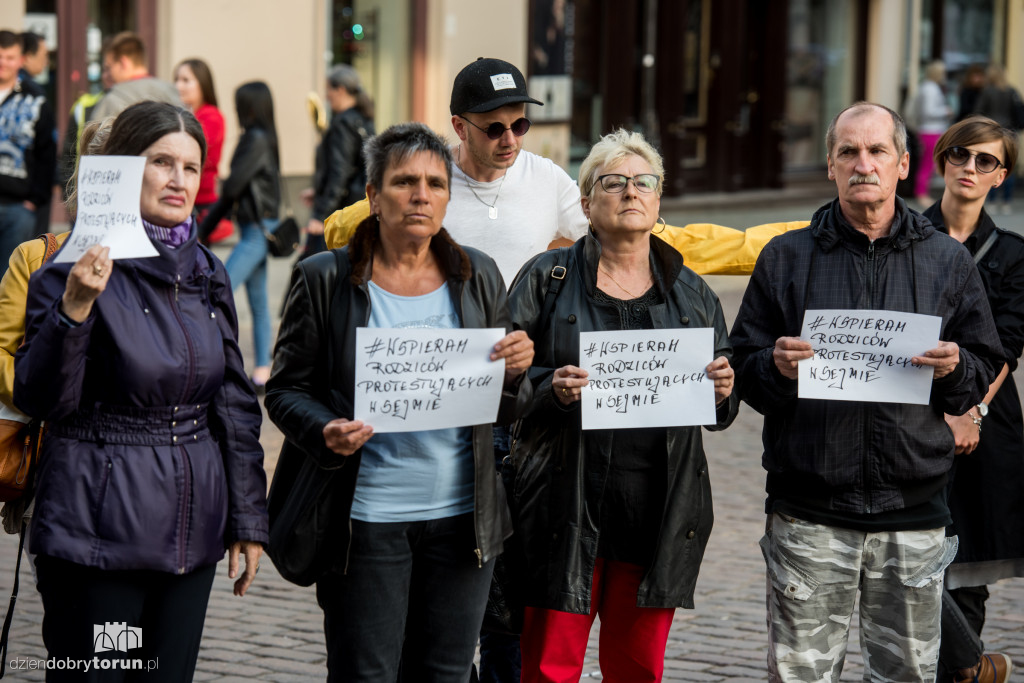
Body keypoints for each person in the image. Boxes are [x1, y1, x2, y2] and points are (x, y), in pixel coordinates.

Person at [729, 102, 1003, 682]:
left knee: (906, 675)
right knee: (802, 676)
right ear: (830, 165)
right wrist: (774, 366)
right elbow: (743, 371)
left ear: (903, 165)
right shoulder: (786, 257)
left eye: (877, 151)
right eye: (848, 151)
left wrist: (957, 371)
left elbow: (981, 369)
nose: (863, 164)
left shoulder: (946, 261)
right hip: (809, 514)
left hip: (914, 514)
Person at [265, 121, 534, 681]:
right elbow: (287, 389)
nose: (421, 195)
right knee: (367, 672)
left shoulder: (478, 275)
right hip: (365, 522)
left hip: (463, 522)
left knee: (447, 672)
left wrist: (515, 373)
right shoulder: (324, 278)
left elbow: (507, 404)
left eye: (436, 184)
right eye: (404, 181)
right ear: (372, 195)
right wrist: (324, 430)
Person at [13, 101, 267, 681]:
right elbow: (43, 399)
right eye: (161, 162)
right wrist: (74, 309)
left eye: (191, 167)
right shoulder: (72, 266)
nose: (178, 179)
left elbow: (232, 401)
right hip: (98, 525)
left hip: (194, 522)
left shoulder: (207, 270)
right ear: (123, 169)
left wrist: (248, 520)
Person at [507, 128, 737, 682]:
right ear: (586, 203)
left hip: (655, 509)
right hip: (564, 505)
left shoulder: (692, 293)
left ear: (658, 201)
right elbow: (500, 381)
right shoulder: (546, 278)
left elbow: (720, 405)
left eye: (644, 182)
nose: (630, 192)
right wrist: (548, 388)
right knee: (548, 668)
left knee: (637, 669)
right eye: (614, 182)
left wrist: (724, 389)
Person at [922, 117, 1021, 683]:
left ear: (1000, 176)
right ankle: (974, 668)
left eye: (986, 161)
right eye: (962, 155)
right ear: (943, 160)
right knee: (902, 559)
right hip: (907, 412)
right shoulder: (904, 233)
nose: (971, 168)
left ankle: (961, 668)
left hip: (983, 418)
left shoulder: (1011, 253)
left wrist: (968, 410)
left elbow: (1007, 347)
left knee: (965, 569)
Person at [199, 81, 280, 391]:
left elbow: (232, 189)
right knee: (259, 304)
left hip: (257, 231)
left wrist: (204, 231)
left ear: (247, 107)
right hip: (259, 227)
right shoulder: (264, 138)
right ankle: (262, 372)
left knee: (216, 291)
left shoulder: (255, 140)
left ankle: (211, 367)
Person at [301, 64, 374, 259]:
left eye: (329, 90)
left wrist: (319, 216)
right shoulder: (363, 120)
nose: (327, 97)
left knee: (309, 272)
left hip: (339, 212)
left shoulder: (342, 124)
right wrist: (318, 192)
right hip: (356, 205)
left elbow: (339, 172)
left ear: (340, 90)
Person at [0, 29, 56, 277]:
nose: (4, 63)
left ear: (21, 60)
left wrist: (34, 200)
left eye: (10, 57)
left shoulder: (36, 100)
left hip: (19, 208)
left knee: (10, 280)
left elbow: (47, 153)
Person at [175, 57, 231, 243]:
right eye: (176, 79)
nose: (178, 86)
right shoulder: (192, 115)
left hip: (202, 201)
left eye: (185, 80)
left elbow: (197, 156)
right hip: (190, 197)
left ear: (202, 84)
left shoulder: (211, 116)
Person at [89, 31, 181, 122]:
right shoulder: (173, 92)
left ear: (123, 63)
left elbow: (96, 134)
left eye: (108, 67)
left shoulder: (112, 100)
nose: (105, 75)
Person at [974, 64, 1023, 214]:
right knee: (1009, 167)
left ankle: (992, 200)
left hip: (991, 132)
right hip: (1010, 133)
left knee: (989, 166)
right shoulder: (1012, 91)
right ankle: (1006, 201)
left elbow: (978, 112)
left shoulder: (987, 91)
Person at [910, 60, 953, 206]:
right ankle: (921, 193)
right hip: (930, 130)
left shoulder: (928, 87)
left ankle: (922, 192)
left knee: (929, 163)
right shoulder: (930, 88)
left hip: (930, 130)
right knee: (927, 164)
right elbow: (928, 111)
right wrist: (945, 111)